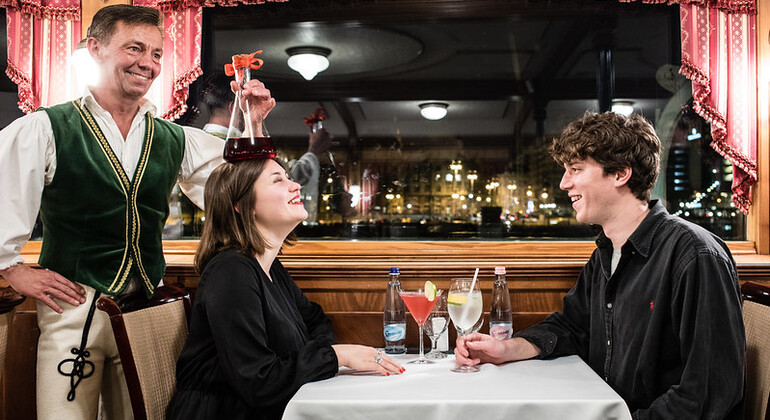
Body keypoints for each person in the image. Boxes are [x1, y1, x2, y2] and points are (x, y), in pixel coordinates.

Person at [0, 5, 274, 419]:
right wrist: (9, 267)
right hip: (73, 309)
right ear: (95, 48)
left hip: (147, 313)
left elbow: (244, 190)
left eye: (157, 53)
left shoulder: (174, 138)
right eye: (134, 48)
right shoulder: (45, 127)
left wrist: (253, 124)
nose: (148, 62)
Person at [455, 111, 745, 419]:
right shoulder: (606, 253)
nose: (564, 183)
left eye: (576, 169)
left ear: (621, 173)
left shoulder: (695, 255)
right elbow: (573, 327)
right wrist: (505, 350)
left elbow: (709, 391)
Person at [166, 157, 404, 420]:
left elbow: (315, 321)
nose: (296, 186)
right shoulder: (230, 272)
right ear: (241, 205)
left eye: (289, 177)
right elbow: (257, 381)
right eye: (278, 180)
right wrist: (334, 357)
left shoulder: (269, 266)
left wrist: (326, 357)